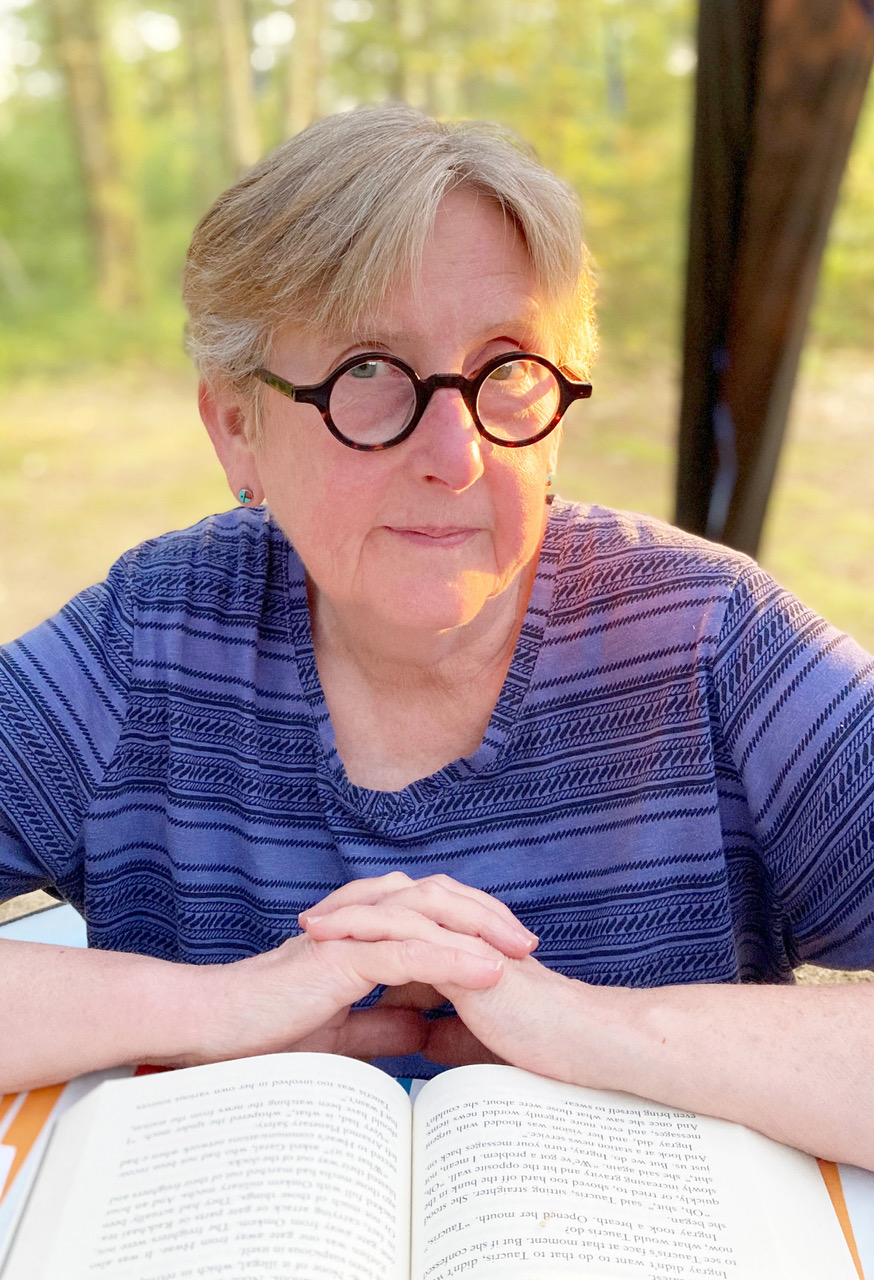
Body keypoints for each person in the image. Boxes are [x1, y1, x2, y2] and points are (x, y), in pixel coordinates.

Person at [1, 105, 873, 1170]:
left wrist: (589, 1028)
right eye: (370, 370)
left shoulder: (708, 641)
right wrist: (221, 1003)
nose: (455, 453)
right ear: (237, 424)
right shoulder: (153, 639)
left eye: (507, 366)